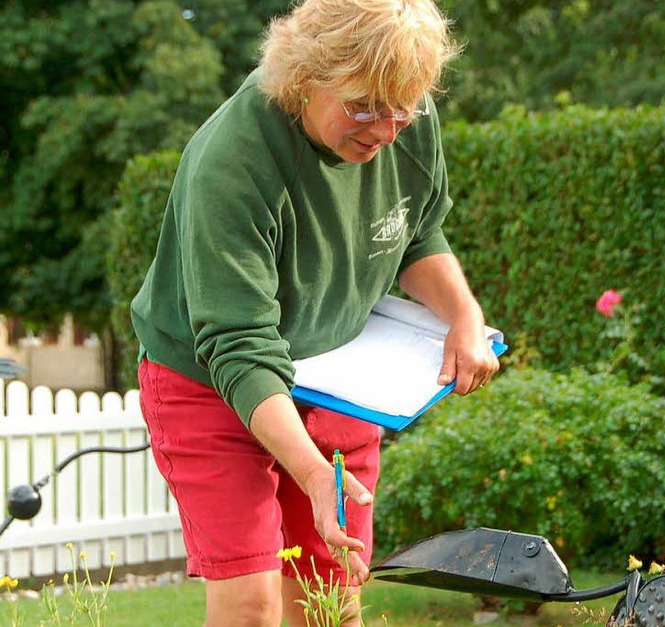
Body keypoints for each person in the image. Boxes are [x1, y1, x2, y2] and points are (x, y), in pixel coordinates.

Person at [129, 0, 500, 625]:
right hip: (213, 382)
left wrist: (464, 313)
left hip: (335, 375)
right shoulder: (233, 161)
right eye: (363, 107)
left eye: (402, 110)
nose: (386, 130)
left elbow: (415, 236)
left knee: (332, 602)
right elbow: (240, 346)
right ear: (304, 78)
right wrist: (310, 477)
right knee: (252, 602)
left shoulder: (404, 115)